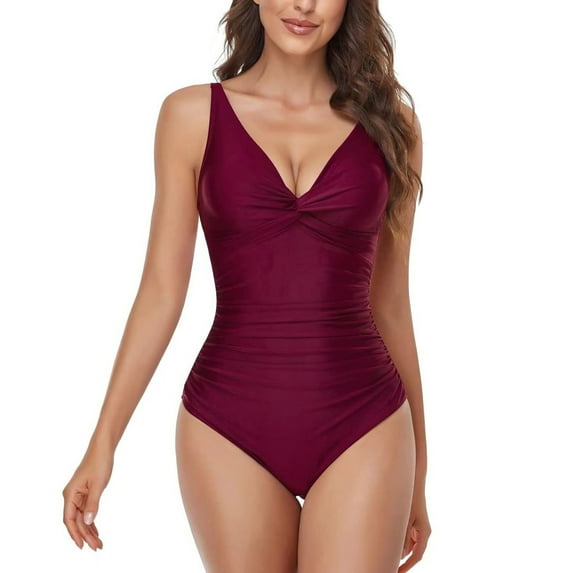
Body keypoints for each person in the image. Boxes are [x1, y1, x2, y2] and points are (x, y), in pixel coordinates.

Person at [62, 1, 430, 571]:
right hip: (227, 425)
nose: (303, 5)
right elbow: (161, 291)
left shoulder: (393, 126)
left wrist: (419, 476)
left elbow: (393, 306)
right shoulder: (190, 116)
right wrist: (102, 443)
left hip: (365, 422)